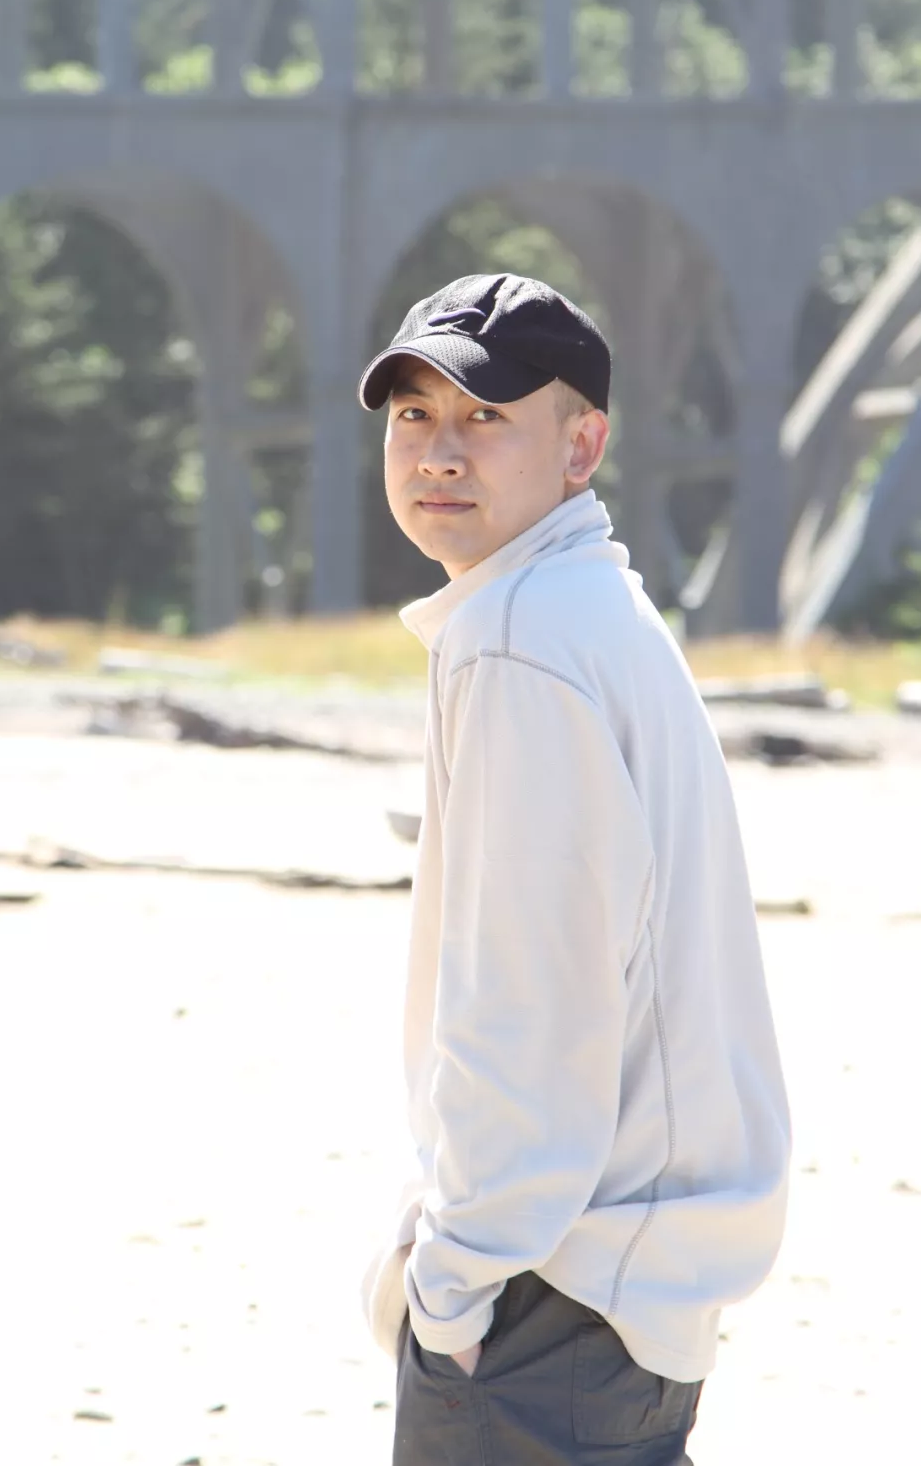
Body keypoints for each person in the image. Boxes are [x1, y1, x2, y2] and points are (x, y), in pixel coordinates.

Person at [358, 273, 791, 1465]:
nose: (440, 451)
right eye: (414, 414)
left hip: (550, 1292)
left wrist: (453, 1288)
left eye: (486, 416)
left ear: (582, 445)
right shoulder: (590, 607)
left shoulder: (522, 642)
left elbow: (528, 1008)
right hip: (627, 1287)